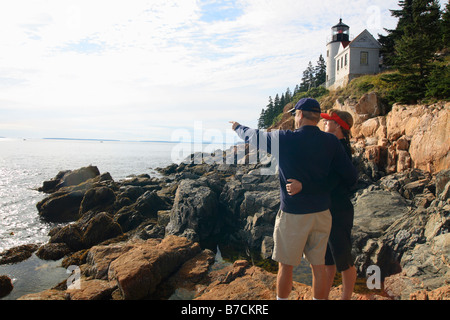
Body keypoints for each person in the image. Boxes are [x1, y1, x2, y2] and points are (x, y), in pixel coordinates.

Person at [230, 98, 357, 300]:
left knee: (286, 266)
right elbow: (350, 176)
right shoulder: (331, 142)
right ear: (316, 117)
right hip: (322, 213)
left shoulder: (285, 138)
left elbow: (254, 136)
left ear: (299, 115)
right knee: (319, 267)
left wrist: (238, 127)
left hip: (294, 214)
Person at [287, 109, 357, 300]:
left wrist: (304, 186)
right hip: (326, 209)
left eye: (328, 122)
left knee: (343, 259)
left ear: (339, 126)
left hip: (338, 209)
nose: (324, 123)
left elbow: (331, 181)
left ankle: (346, 297)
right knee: (326, 260)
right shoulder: (331, 145)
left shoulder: (340, 148)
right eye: (324, 121)